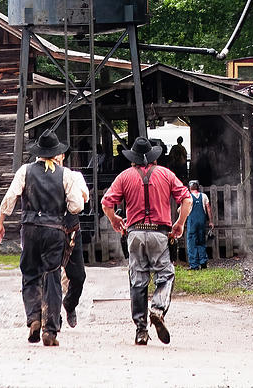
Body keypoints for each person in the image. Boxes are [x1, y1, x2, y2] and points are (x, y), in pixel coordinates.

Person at [0, 129, 84, 346]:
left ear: (37, 152)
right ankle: (50, 330)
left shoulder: (25, 171)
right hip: (54, 230)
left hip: (30, 229)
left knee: (30, 273)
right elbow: (77, 206)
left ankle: (34, 317)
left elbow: (11, 197)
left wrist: (1, 222)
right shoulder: (65, 175)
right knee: (53, 277)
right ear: (56, 153)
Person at [101, 136, 192, 346]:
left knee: (138, 281)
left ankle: (141, 331)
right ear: (154, 158)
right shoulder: (166, 174)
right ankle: (158, 309)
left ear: (132, 158)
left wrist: (115, 219)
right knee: (166, 275)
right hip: (160, 234)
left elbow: (106, 203)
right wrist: (179, 223)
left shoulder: (124, 177)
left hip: (134, 234)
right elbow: (186, 200)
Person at [55, 151, 90, 329]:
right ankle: (53, 317)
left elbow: (84, 199)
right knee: (50, 276)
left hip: (71, 229)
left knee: (78, 276)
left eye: (58, 154)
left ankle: (69, 304)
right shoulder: (40, 177)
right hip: (49, 230)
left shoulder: (74, 176)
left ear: (62, 156)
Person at [186, 179, 214, 270]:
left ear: (190, 188)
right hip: (202, 221)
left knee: (192, 242)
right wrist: (210, 221)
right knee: (201, 241)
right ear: (198, 187)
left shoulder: (188, 197)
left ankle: (194, 265)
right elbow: (208, 208)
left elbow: (183, 210)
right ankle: (203, 262)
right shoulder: (204, 196)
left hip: (192, 222)